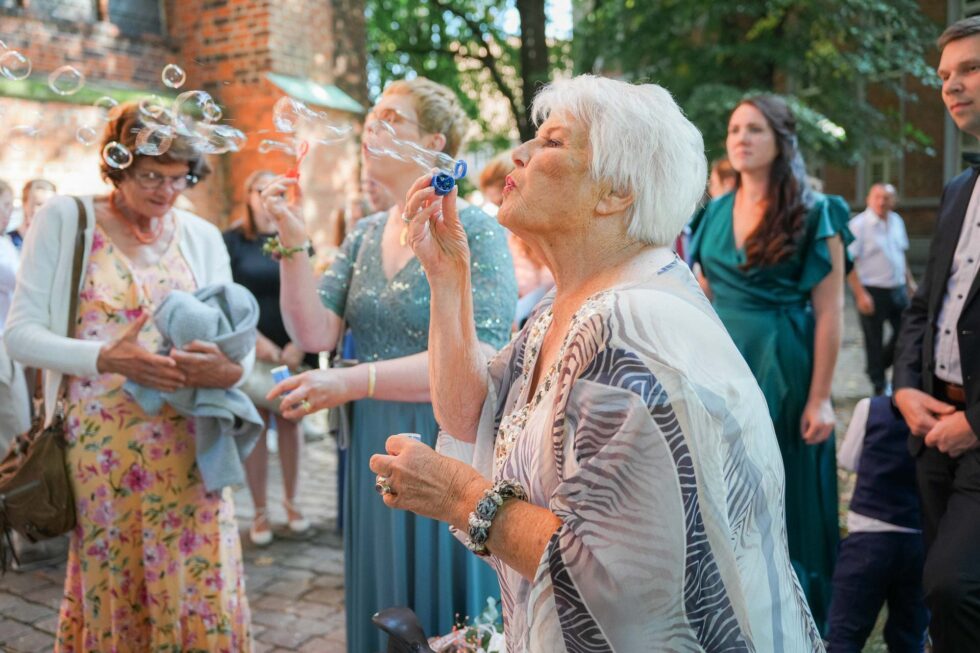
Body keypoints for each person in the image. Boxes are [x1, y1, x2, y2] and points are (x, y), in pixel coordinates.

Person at [365, 74, 823, 651]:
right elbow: (472, 417)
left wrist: (460, 497)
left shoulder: (633, 330)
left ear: (615, 192)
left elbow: (620, 577)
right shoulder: (571, 307)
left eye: (552, 143)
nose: (520, 153)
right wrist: (447, 276)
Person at [264, 77, 515, 652]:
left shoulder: (475, 227)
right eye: (369, 118)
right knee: (384, 588)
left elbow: (486, 352)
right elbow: (314, 332)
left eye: (390, 118)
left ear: (433, 141)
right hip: (373, 442)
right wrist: (293, 240)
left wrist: (350, 380)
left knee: (443, 607)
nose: (370, 128)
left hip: (443, 436)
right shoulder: (362, 232)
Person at [4, 101, 252, 651]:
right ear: (117, 167)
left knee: (197, 576)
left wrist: (226, 367)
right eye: (150, 177)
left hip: (193, 443)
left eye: (178, 179)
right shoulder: (67, 220)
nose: (165, 192)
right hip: (103, 450)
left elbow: (239, 345)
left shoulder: (203, 237)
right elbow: (18, 335)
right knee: (116, 576)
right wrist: (106, 358)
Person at [689, 94, 850, 633]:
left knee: (785, 491)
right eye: (734, 128)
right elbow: (704, 293)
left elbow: (830, 312)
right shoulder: (711, 210)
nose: (741, 138)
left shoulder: (817, 210)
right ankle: (733, 612)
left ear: (781, 140)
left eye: (754, 129)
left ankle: (800, 618)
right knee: (724, 487)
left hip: (785, 368)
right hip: (720, 367)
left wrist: (821, 396)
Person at [892, 16, 980, 652]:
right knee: (940, 586)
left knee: (953, 586)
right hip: (929, 426)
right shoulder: (956, 191)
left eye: (969, 69)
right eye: (945, 75)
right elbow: (925, 308)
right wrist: (902, 388)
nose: (952, 85)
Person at [224, 169, 311, 546]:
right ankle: (259, 511)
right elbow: (225, 297)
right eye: (259, 190)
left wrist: (300, 343)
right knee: (256, 425)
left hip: (290, 348)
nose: (266, 198)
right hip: (253, 349)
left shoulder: (294, 237)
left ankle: (292, 502)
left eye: (274, 191)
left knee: (291, 422)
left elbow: (312, 291)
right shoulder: (232, 241)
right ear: (248, 195)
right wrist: (258, 342)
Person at [828, 395, 928, 652]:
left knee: (845, 634)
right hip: (920, 537)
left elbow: (848, 459)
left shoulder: (872, 408)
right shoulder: (946, 417)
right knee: (909, 637)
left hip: (868, 534)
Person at [847, 183, 917, 395]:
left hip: (897, 288)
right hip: (872, 290)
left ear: (894, 201)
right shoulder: (858, 225)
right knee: (873, 339)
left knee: (907, 331)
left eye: (886, 198)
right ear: (869, 199)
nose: (882, 202)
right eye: (877, 197)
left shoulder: (897, 221)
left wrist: (910, 282)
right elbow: (849, 262)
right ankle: (878, 383)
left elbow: (900, 255)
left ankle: (878, 365)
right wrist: (860, 294)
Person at [480, 152, 554, 327]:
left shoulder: (546, 228)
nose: (502, 211)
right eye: (497, 205)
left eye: (501, 201)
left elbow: (551, 283)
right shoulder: (509, 235)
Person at [0, 178, 29, 444]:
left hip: (10, 341)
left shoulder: (5, 243)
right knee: (15, 424)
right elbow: (23, 283)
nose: (9, 211)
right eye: (5, 204)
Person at [10, 178, 57, 249]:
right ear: (24, 203)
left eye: (50, 206)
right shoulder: (8, 243)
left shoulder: (55, 245)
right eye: (39, 204)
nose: (47, 211)